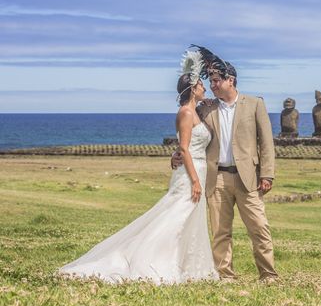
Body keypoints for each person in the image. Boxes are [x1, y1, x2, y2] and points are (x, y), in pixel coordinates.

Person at [59, 51, 218, 284]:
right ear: (193, 89)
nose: (205, 88)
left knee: (190, 218)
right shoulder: (185, 113)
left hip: (197, 169)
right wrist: (194, 180)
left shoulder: (195, 111)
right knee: (177, 216)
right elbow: (184, 149)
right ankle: (156, 261)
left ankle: (188, 264)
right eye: (202, 85)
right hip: (190, 174)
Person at [172, 45, 278, 283]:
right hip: (216, 177)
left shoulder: (254, 104)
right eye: (210, 81)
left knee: (259, 228)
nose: (212, 85)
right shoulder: (206, 107)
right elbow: (188, 131)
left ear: (231, 80)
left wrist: (267, 174)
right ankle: (225, 275)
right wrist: (176, 153)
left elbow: (267, 143)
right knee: (220, 231)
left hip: (248, 177)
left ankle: (268, 274)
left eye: (217, 80)